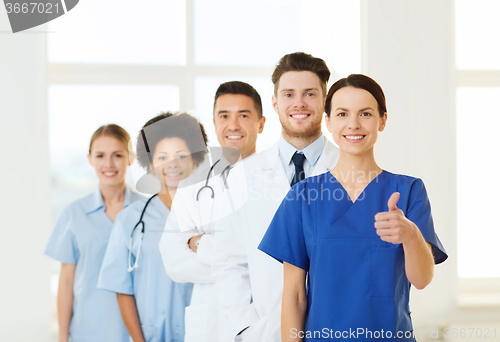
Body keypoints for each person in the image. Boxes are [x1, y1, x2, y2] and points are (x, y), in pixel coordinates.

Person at [258, 74, 448, 341]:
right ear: (329, 121)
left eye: (366, 114)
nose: (353, 124)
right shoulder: (303, 197)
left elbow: (422, 279)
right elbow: (295, 295)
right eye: (343, 114)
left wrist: (411, 235)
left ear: (382, 120)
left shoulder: (408, 191)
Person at [212, 52, 340, 341]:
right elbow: (229, 261)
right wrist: (245, 328)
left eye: (310, 94)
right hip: (265, 331)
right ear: (275, 102)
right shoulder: (243, 176)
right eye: (289, 94)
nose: (299, 103)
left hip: (339, 327)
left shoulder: (350, 169)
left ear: (325, 101)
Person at [159, 81, 266, 342]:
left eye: (244, 115)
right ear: (215, 123)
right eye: (224, 116)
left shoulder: (276, 180)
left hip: (261, 318)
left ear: (261, 123)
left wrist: (201, 244)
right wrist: (246, 262)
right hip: (209, 324)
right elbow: (173, 260)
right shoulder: (193, 182)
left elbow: (274, 259)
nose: (233, 125)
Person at [97, 113, 207, 342]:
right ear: (150, 163)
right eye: (163, 156)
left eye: (181, 155)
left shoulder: (212, 215)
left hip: (204, 333)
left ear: (195, 160)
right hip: (150, 336)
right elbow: (122, 288)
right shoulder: (130, 220)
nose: (172, 164)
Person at [44, 124, 143, 342]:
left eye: (117, 155)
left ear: (130, 158)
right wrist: (62, 337)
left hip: (138, 333)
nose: (108, 164)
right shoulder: (73, 213)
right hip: (88, 332)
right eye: (100, 155)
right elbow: (66, 282)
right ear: (90, 159)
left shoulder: (148, 211)